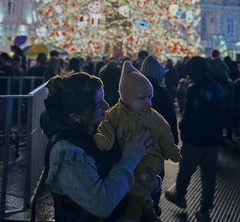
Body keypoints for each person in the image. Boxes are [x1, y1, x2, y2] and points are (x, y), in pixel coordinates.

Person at [40, 72, 160, 222]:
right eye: (98, 104)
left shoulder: (101, 127)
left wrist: (153, 183)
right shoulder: (66, 152)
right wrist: (132, 156)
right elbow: (102, 204)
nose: (107, 106)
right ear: (76, 116)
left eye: (103, 98)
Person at [94, 61, 182, 222]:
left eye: (150, 97)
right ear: (127, 98)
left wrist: (171, 149)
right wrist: (104, 139)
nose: (148, 102)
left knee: (140, 179)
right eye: (142, 98)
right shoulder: (115, 114)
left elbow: (165, 133)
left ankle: (132, 215)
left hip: (150, 157)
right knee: (137, 183)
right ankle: (148, 209)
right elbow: (107, 127)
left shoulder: (153, 115)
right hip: (130, 160)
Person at [165, 56, 225, 222]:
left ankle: (180, 195)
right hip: (212, 139)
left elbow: (189, 114)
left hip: (195, 139)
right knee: (209, 176)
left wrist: (183, 127)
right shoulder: (217, 87)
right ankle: (204, 210)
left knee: (185, 170)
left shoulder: (194, 88)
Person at [140, 55, 179, 216]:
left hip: (137, 142)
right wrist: (173, 142)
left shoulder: (135, 89)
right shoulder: (161, 92)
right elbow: (170, 119)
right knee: (155, 176)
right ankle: (152, 208)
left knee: (138, 176)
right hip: (156, 144)